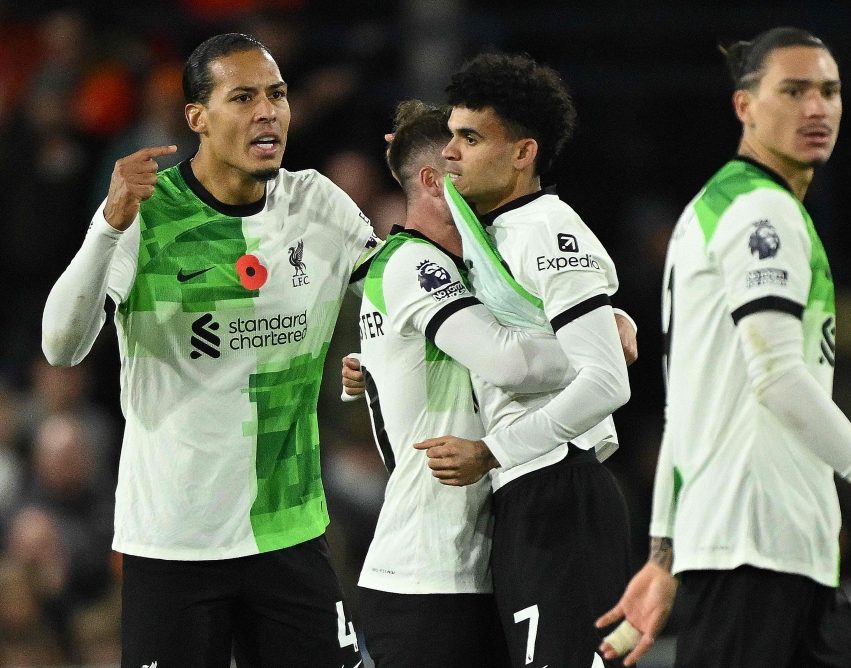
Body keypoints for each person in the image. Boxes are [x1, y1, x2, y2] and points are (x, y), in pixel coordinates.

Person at [595, 27, 851, 668]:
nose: (816, 108)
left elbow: (686, 406)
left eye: (829, 91)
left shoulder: (715, 208)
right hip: (755, 549)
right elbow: (777, 377)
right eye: (794, 91)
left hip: (784, 556)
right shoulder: (761, 213)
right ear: (744, 106)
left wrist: (664, 555)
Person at [41, 33, 377, 668]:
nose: (267, 112)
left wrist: (381, 354)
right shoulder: (145, 214)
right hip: (174, 541)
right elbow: (60, 346)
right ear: (197, 117)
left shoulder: (316, 203)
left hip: (287, 529)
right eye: (243, 97)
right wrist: (107, 225)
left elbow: (398, 294)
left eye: (277, 95)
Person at [406, 53, 634, 668]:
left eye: (470, 138)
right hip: (526, 493)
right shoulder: (494, 229)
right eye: (450, 135)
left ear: (523, 153)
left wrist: (492, 451)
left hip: (561, 490)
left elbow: (607, 382)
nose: (450, 152)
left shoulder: (546, 229)